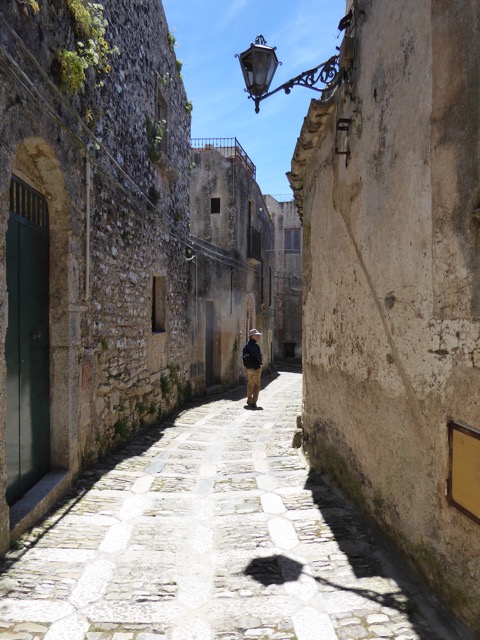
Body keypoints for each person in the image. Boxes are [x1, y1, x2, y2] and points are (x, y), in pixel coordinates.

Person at [242, 328, 263, 409]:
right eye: (257, 335)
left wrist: (246, 367)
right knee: (256, 385)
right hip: (256, 368)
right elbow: (258, 358)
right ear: (252, 336)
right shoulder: (256, 346)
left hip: (248, 368)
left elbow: (243, 357)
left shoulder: (245, 346)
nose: (258, 337)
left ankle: (249, 399)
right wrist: (260, 365)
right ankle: (254, 402)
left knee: (250, 384)